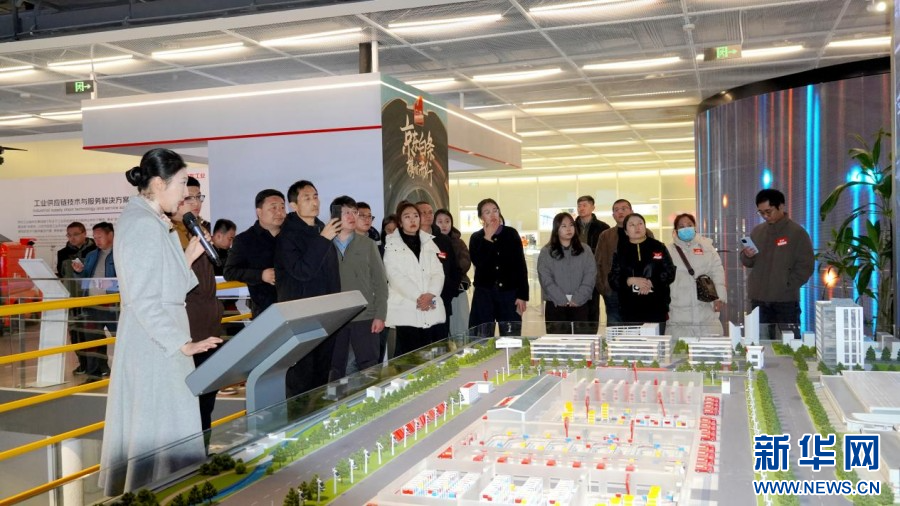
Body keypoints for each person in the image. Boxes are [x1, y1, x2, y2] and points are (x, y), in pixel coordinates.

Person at [99, 148, 222, 496]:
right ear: (158, 183)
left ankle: (163, 492)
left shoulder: (152, 221)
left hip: (162, 340)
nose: (185, 195)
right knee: (157, 427)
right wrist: (181, 343)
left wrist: (188, 257)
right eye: (181, 184)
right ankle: (155, 493)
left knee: (163, 426)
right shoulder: (141, 224)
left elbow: (166, 286)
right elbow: (143, 298)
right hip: (155, 343)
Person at [275, 180, 341, 398]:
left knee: (321, 377)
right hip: (301, 317)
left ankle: (318, 417)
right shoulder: (287, 236)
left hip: (326, 315)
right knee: (301, 379)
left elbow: (332, 274)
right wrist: (323, 240)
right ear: (294, 205)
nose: (314, 202)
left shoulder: (322, 228)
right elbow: (302, 272)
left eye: (315, 196)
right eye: (307, 198)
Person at [172, 176, 224, 435]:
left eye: (198, 197)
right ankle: (190, 451)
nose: (195, 203)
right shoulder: (168, 234)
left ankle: (203, 450)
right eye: (188, 197)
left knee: (207, 399)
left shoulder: (199, 230)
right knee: (188, 402)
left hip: (209, 326)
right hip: (187, 331)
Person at [740, 188, 814, 339]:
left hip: (785, 302)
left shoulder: (797, 233)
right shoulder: (757, 232)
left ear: (781, 206)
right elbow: (749, 262)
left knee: (788, 344)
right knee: (759, 343)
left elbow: (806, 266)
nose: (765, 216)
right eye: (761, 212)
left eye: (769, 211)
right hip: (759, 299)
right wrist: (747, 255)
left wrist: (786, 285)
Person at [329, 196, 388, 378]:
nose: (352, 216)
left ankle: (372, 397)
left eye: (354, 212)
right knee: (335, 368)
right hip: (335, 317)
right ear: (335, 216)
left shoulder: (368, 245)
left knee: (369, 367)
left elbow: (380, 282)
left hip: (365, 315)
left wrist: (380, 315)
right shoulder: (324, 244)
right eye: (346, 212)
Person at [383, 202, 446, 355]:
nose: (412, 220)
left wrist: (430, 294)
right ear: (400, 222)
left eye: (416, 216)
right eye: (407, 217)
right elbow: (395, 276)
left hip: (429, 304)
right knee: (408, 356)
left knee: (429, 353)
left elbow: (438, 272)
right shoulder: (391, 244)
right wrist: (419, 297)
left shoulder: (429, 242)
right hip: (406, 306)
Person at [468, 198, 528, 337]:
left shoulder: (511, 234)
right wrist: (487, 239)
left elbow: (520, 265)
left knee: (511, 336)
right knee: (481, 336)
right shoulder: (476, 238)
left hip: (509, 293)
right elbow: (479, 263)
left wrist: (522, 295)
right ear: (481, 217)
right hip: (484, 294)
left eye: (495, 210)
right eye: (487, 212)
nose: (492, 215)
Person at [608, 213, 675, 333]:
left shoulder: (658, 247)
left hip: (656, 306)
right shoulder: (620, 251)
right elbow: (613, 279)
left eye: (640, 223)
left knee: (656, 342)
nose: (637, 227)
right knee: (634, 343)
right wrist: (630, 280)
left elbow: (670, 272)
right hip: (630, 308)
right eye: (632, 225)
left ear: (645, 226)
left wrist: (651, 282)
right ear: (626, 231)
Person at [224, 189, 286, 319]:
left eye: (282, 207)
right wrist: (260, 275)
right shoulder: (244, 240)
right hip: (265, 311)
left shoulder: (292, 236)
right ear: (259, 212)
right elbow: (230, 272)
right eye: (273, 208)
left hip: (294, 305)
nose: (280, 212)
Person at [666, 213, 727, 337]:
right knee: (680, 345)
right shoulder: (668, 251)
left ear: (695, 227)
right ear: (675, 230)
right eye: (681, 226)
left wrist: (719, 297)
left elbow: (717, 271)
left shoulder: (707, 248)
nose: (686, 228)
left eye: (689, 225)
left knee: (708, 344)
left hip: (705, 306)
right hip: (679, 308)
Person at [595, 199, 653, 325]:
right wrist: (603, 287)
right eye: (616, 210)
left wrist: (648, 282)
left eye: (624, 208)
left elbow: (653, 262)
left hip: (638, 289)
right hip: (613, 291)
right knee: (615, 328)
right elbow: (598, 262)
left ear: (631, 211)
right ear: (613, 215)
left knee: (638, 327)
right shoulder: (606, 235)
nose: (620, 212)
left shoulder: (646, 233)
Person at [538, 212, 597, 334]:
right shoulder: (546, 252)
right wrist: (561, 299)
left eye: (571, 225)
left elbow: (590, 275)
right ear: (556, 229)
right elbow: (545, 278)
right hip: (555, 304)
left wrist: (578, 298)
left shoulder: (585, 250)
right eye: (563, 226)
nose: (569, 229)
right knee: (558, 342)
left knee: (581, 341)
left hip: (581, 303)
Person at [72, 221, 117, 380]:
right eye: (95, 237)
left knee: (121, 340)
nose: (96, 241)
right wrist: (79, 272)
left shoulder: (121, 253)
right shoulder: (92, 255)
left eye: (100, 237)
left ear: (111, 235)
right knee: (92, 341)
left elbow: (126, 280)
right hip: (92, 305)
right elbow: (84, 280)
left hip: (113, 306)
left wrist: (110, 284)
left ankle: (126, 374)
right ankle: (93, 375)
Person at [57, 221, 97, 376]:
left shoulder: (95, 250)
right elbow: (61, 274)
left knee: (92, 332)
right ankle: (83, 363)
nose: (72, 238)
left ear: (84, 233)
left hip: (91, 297)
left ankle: (98, 366)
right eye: (69, 235)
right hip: (72, 298)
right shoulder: (62, 253)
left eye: (75, 234)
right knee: (75, 332)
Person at [416, 200, 459, 338]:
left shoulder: (444, 240)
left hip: (441, 301)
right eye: (423, 212)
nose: (428, 215)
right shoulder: (410, 240)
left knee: (440, 343)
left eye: (430, 212)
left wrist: (448, 294)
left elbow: (454, 269)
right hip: (418, 304)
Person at [574, 195, 609, 333]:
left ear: (593, 207)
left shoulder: (603, 228)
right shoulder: (571, 226)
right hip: (574, 272)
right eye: (579, 206)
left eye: (584, 205)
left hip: (594, 272)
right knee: (576, 304)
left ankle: (591, 334)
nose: (581, 208)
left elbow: (606, 253)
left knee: (593, 305)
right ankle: (577, 335)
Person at [434, 209, 471, 338]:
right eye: (440, 222)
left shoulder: (459, 243)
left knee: (460, 328)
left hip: (457, 290)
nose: (444, 225)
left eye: (447, 221)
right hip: (437, 292)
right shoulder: (431, 242)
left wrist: (451, 271)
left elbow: (465, 262)